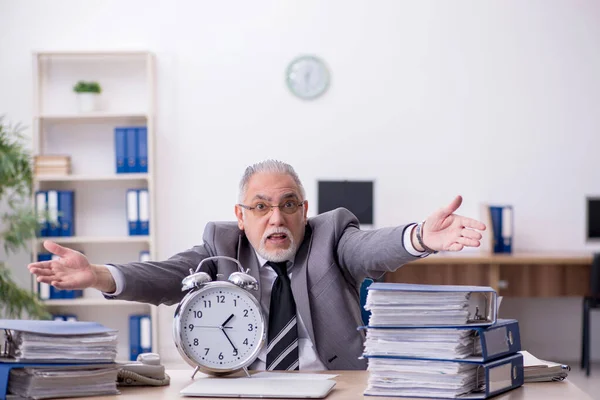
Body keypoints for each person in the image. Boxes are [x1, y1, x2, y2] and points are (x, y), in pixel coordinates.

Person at [28, 159, 485, 371]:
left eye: (288, 205)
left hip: (332, 386)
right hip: (244, 385)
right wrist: (100, 275)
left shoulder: (331, 236)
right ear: (240, 216)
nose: (276, 218)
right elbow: (169, 276)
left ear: (304, 211)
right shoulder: (220, 245)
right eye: (261, 207)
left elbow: (368, 249)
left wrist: (420, 237)